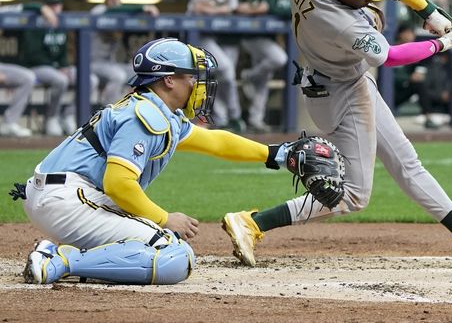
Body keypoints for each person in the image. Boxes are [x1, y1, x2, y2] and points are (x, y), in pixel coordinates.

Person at [222, 0, 452, 266]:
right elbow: (391, 56)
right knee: (353, 195)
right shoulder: (341, 22)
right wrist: (444, 42)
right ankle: (252, 223)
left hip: (338, 80)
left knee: (406, 163)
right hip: (341, 92)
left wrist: (427, 10)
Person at [16, 37, 295, 285]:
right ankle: (59, 261)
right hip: (68, 199)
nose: (197, 83)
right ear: (169, 79)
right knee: (174, 256)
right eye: (190, 76)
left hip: (63, 195)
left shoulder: (159, 111)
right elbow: (118, 183)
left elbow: (216, 141)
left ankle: (70, 257)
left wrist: (275, 154)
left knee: (165, 246)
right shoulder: (144, 116)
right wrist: (165, 218)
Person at [187, 0, 245, 132]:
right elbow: (198, 8)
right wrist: (219, 10)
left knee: (224, 75)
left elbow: (232, 8)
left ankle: (223, 118)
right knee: (222, 69)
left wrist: (213, 9)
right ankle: (232, 116)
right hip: (196, 34)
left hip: (215, 35)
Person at [235, 0, 288, 132]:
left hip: (266, 38)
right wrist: (256, 10)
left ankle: (255, 119)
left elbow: (274, 9)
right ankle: (249, 75)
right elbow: (270, 8)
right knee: (280, 58)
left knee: (263, 81)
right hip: (250, 38)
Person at [18, 0, 79, 135]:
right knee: (61, 80)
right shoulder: (36, 23)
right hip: (37, 67)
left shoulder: (61, 23)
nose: (54, 8)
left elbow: (63, 52)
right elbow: (33, 55)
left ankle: (69, 114)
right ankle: (52, 117)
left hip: (56, 68)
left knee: (88, 78)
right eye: (51, 5)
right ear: (45, 7)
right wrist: (57, 67)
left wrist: (63, 65)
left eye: (57, 5)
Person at [90, 0, 158, 104]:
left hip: (109, 63)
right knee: (119, 76)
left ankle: (131, 107)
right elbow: (113, 12)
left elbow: (122, 12)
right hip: (91, 63)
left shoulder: (119, 13)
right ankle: (108, 112)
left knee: (139, 72)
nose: (114, 0)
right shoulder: (99, 11)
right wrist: (142, 8)